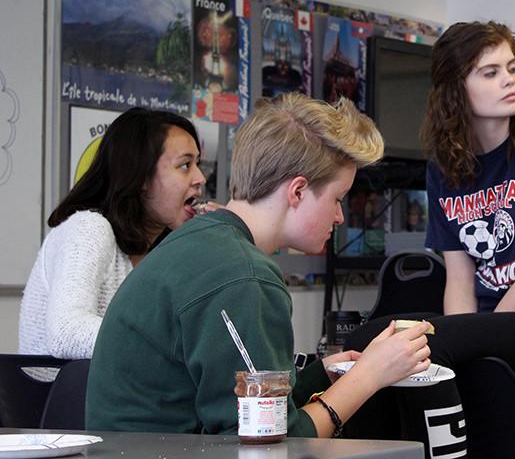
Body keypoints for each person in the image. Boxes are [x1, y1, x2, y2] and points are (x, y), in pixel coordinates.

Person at [86, 94, 431, 438]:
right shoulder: (242, 276)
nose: (340, 216)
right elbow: (270, 443)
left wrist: (319, 375)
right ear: (297, 191)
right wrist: (368, 377)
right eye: (337, 198)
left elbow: (234, 401)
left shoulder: (204, 244)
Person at [344, 21, 515, 458]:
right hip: (486, 325)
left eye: (512, 69)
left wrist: (466, 336)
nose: (509, 81)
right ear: (456, 89)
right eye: (490, 72)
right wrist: (463, 335)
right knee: (368, 338)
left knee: (426, 344)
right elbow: (459, 279)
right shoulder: (444, 167)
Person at [19, 108, 207, 360]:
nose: (201, 178)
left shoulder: (162, 252)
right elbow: (65, 333)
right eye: (185, 165)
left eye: (198, 164)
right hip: (63, 397)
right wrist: (168, 343)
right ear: (141, 175)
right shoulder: (89, 228)